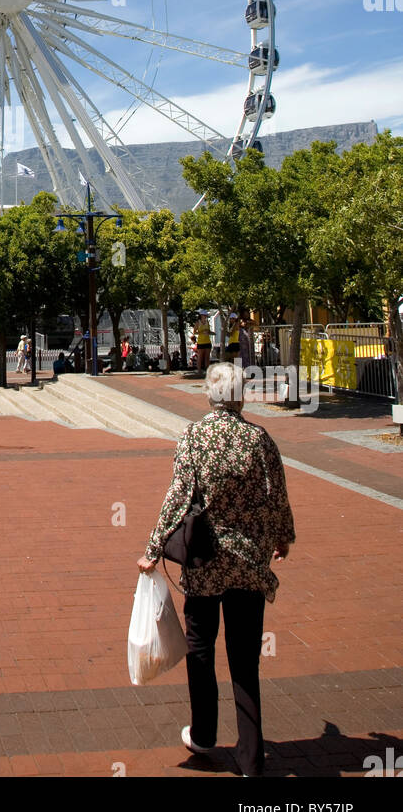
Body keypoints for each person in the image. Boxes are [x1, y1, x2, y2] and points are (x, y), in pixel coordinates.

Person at [138, 361, 296, 778]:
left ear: (209, 394)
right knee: (245, 661)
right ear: (241, 396)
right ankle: (250, 757)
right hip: (247, 564)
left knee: (201, 648)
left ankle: (204, 733)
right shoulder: (259, 440)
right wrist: (283, 538)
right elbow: (277, 495)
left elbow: (178, 496)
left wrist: (153, 549)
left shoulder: (195, 436)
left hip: (205, 562)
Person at [195, 311, 212, 376]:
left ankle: (207, 370)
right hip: (200, 342)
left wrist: (208, 332)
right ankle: (199, 370)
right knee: (200, 357)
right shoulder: (198, 323)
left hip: (207, 341)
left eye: (206, 315)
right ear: (201, 315)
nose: (205, 316)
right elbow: (194, 332)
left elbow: (209, 331)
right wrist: (201, 332)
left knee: (207, 357)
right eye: (204, 315)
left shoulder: (207, 322)